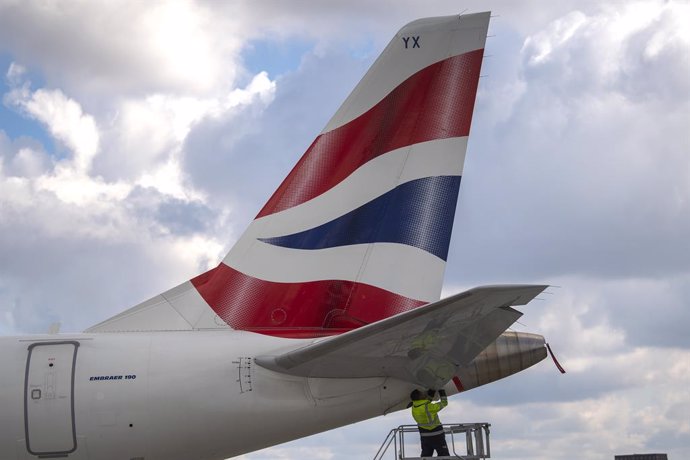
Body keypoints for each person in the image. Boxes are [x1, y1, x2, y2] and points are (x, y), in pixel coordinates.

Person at [410, 388, 449, 457]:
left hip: (425, 437)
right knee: (444, 456)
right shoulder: (428, 407)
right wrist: (441, 391)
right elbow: (444, 403)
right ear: (420, 397)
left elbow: (425, 403)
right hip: (437, 435)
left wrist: (431, 393)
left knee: (426, 456)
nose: (424, 393)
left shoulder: (414, 408)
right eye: (422, 393)